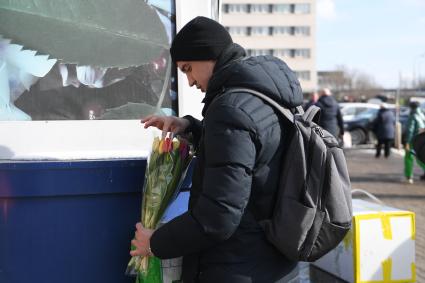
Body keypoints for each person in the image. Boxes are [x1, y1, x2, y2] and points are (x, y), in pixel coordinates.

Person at [130, 16, 303, 282]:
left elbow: (218, 216)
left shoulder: (230, 107)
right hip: (277, 262)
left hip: (237, 267)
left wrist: (155, 243)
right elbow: (250, 152)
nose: (188, 81)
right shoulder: (265, 95)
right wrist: (189, 126)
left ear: (208, 55)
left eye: (188, 68)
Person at [404, 101, 425, 184]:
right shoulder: (422, 115)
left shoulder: (412, 116)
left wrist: (407, 142)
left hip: (414, 140)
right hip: (422, 140)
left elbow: (410, 130)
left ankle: (409, 176)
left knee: (408, 157)